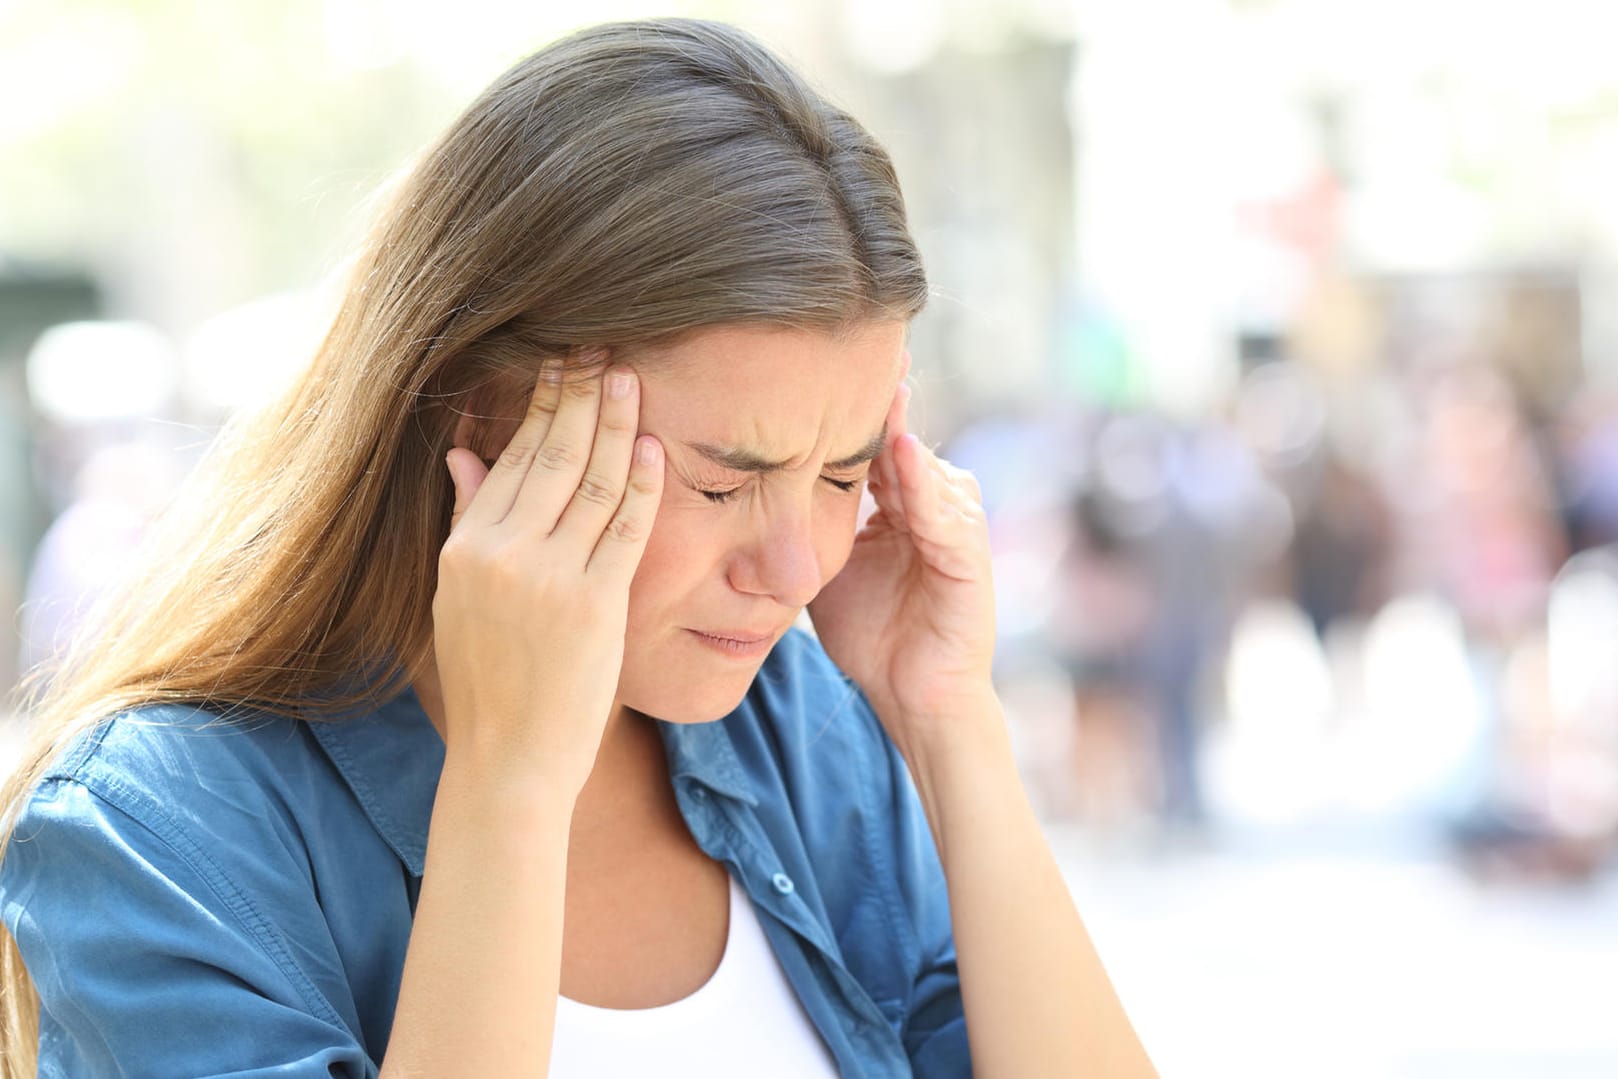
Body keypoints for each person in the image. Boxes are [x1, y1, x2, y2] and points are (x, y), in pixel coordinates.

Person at [0, 18, 1156, 1078]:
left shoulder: (796, 730)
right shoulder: (155, 833)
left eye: (843, 473)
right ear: (479, 418)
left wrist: (949, 719)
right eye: (720, 480)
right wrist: (509, 782)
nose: (797, 568)